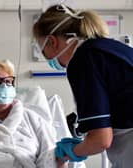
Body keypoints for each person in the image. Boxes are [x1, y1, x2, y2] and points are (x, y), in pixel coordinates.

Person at [33, 4, 133, 168]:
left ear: (52, 41)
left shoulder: (82, 60)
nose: (47, 58)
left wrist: (70, 151)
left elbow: (101, 140)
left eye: (42, 50)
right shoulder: (113, 48)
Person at [0, 60, 70, 168]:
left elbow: (50, 159)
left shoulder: (33, 120)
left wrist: (61, 159)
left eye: (8, 82)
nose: (4, 86)